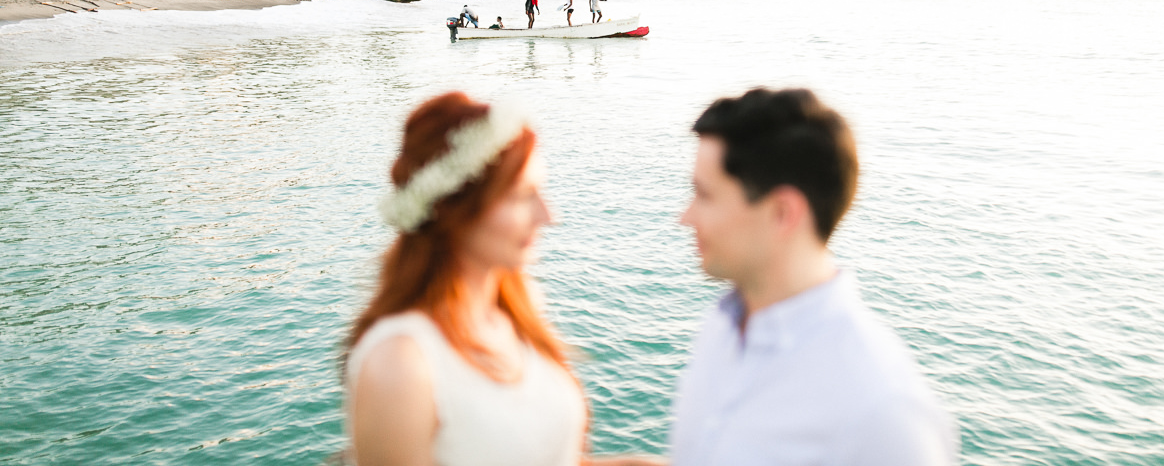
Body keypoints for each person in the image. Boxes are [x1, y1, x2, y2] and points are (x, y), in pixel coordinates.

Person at [344, 93, 659, 466]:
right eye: (523, 196)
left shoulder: (517, 311)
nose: (548, 216)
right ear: (457, 209)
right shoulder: (400, 363)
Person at [671, 88, 957, 466]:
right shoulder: (721, 327)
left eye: (704, 195)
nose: (685, 217)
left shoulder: (883, 413)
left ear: (782, 213)